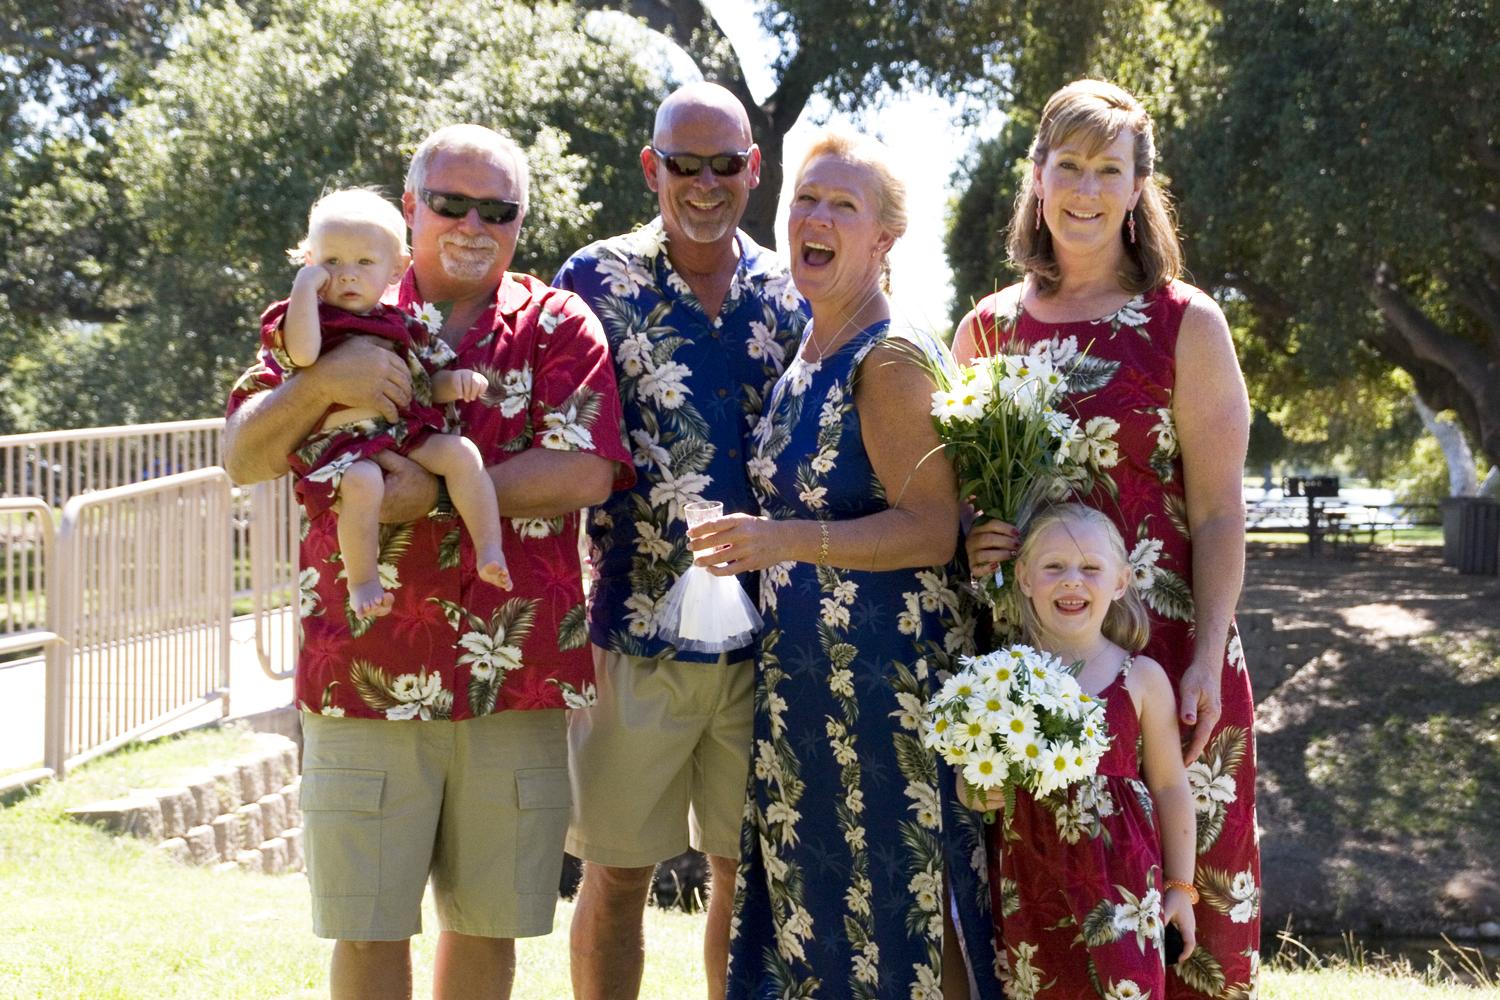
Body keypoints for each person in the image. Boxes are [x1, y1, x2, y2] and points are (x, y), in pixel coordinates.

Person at [222, 124, 632, 1000]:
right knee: (367, 929)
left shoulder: (556, 322)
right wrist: (326, 383)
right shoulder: (333, 309)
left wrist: (434, 495)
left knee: (488, 933)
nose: (473, 223)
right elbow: (243, 455)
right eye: (450, 203)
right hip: (362, 671)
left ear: (521, 221)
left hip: (512, 677)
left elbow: (589, 467)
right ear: (411, 210)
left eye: (498, 209)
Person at [955, 79, 1260, 998]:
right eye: (1069, 166)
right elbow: (965, 501)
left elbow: (1217, 513)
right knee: (1048, 928)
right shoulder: (985, 330)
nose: (1085, 189)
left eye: (1108, 170)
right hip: (1038, 681)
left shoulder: (1185, 323)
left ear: (1137, 191)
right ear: (1038, 179)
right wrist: (975, 538)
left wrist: (1205, 655)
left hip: (1168, 667)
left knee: (1189, 930)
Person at [688, 127, 1001, 999]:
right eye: (805, 199)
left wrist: (782, 539)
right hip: (807, 695)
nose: (815, 217)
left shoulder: (891, 358)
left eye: (842, 204)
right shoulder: (806, 355)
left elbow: (934, 529)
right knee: (825, 922)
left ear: (884, 240)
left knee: (913, 912)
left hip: (891, 695)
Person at [553, 81, 806, 1000]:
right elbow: (556, 440)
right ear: (651, 165)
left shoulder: (792, 288)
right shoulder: (591, 281)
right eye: (684, 164)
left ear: (754, 168)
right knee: (618, 873)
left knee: (745, 875)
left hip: (766, 641)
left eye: (725, 164)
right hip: (631, 632)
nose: (705, 184)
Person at [964, 503, 1197, 998]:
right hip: (1031, 884)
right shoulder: (1000, 678)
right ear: (1024, 577)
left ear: (1120, 581)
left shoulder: (1141, 679)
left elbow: (1172, 786)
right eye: (1054, 567)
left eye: (1091, 568)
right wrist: (976, 789)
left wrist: (1182, 887)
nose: (1073, 580)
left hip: (1123, 886)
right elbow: (975, 778)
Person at [264, 187, 510, 619]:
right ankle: (363, 582)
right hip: (342, 445)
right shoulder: (308, 317)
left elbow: (423, 385)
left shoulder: (403, 325)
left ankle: (490, 548)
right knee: (363, 483)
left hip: (401, 431)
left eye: (364, 262)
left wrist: (455, 382)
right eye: (331, 262)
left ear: (396, 269)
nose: (347, 275)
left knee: (461, 453)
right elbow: (302, 355)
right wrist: (304, 287)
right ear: (309, 262)